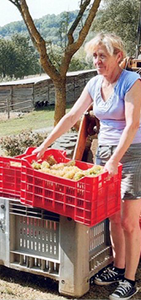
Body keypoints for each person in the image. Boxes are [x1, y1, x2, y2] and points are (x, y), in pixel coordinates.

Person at [33, 33, 141, 300]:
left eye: (102, 55)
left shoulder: (132, 82)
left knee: (129, 222)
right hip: (104, 155)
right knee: (113, 216)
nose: (97, 61)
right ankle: (118, 267)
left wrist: (115, 160)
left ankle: (130, 280)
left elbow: (132, 125)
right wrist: (44, 145)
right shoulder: (94, 84)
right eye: (94, 56)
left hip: (132, 154)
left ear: (118, 57)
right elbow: (71, 116)